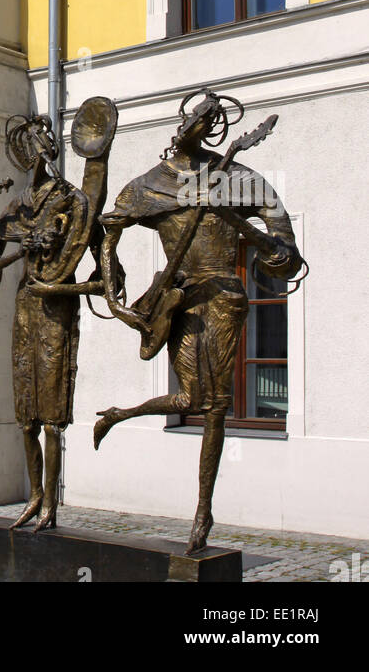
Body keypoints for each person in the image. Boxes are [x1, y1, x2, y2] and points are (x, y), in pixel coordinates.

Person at [93, 88, 304, 555]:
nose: (203, 125)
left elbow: (285, 251)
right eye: (197, 118)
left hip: (225, 296)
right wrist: (115, 301)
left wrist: (267, 244)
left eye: (211, 119)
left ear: (218, 127)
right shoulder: (149, 184)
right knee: (193, 397)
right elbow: (106, 241)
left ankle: (203, 513)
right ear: (183, 123)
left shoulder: (237, 178)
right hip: (179, 299)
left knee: (213, 408)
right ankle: (119, 414)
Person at [0, 99, 118, 532]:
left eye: (40, 146)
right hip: (24, 311)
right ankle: (34, 495)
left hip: (55, 311)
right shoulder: (14, 208)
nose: (36, 156)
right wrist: (15, 249)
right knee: (25, 415)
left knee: (52, 416)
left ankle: (51, 502)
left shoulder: (72, 200)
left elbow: (104, 258)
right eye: (29, 148)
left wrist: (98, 284)